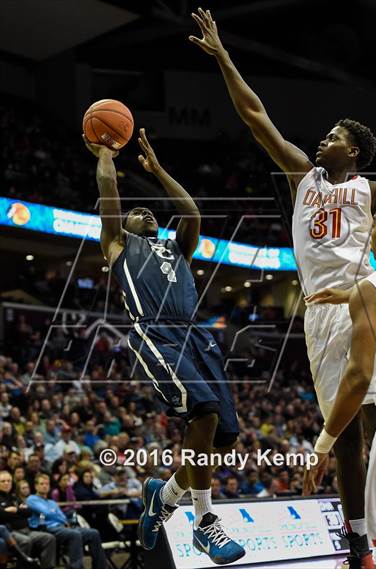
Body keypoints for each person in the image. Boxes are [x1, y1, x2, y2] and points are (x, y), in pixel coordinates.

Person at [190, 8, 376, 569]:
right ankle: (360, 542)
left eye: (335, 136)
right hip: (318, 314)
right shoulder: (303, 177)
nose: (323, 139)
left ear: (356, 153)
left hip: (364, 304)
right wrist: (224, 58)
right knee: (343, 437)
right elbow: (254, 116)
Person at [84, 128, 245, 565]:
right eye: (136, 212)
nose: (143, 212)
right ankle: (204, 523)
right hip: (154, 333)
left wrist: (158, 171)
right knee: (205, 412)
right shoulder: (118, 244)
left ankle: (165, 494)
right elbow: (109, 188)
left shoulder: (178, 249)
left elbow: (191, 212)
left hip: (197, 337)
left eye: (147, 210)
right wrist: (105, 153)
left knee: (224, 438)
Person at [303, 201, 376, 569]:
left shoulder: (373, 287)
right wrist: (350, 296)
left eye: (373, 229)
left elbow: (357, 377)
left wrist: (323, 445)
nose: (368, 235)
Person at [26, 474, 107, 569]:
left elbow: (62, 517)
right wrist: (56, 515)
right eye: (42, 483)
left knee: (93, 533)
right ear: (36, 486)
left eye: (47, 484)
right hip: (47, 529)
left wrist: (58, 517)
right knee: (74, 534)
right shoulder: (32, 499)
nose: (45, 486)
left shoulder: (51, 502)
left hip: (62, 527)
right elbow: (46, 513)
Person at [0, 472, 48, 568]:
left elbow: (29, 512)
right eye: (3, 481)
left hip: (27, 528)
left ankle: (47, 567)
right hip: (11, 530)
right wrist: (20, 512)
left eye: (9, 481)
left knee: (48, 538)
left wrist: (16, 510)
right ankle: (25, 562)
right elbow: (2, 515)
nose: (6, 483)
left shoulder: (14, 497)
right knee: (26, 541)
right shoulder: (31, 499)